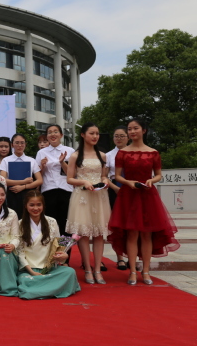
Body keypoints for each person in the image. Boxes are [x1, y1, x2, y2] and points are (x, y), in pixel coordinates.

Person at [107, 118, 179, 286]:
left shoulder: (153, 153)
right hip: (129, 195)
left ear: (143, 130)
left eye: (135, 128)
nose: (132, 131)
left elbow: (159, 175)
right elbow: (117, 176)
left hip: (147, 195)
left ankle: (146, 271)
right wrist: (128, 182)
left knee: (147, 234)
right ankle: (132, 271)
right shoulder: (122, 153)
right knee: (132, 233)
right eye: (130, 129)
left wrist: (151, 180)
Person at [66, 123, 111, 284]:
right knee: (84, 234)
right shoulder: (75, 156)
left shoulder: (102, 156)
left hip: (99, 196)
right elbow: (69, 179)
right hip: (82, 196)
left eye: (97, 133)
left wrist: (105, 181)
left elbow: (104, 175)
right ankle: (87, 269)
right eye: (92, 133)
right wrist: (83, 182)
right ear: (83, 135)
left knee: (99, 234)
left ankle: (97, 269)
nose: (95, 136)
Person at [16, 190, 80, 300]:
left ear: (43, 205)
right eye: (32, 205)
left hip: (49, 268)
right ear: (26, 206)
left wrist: (63, 256)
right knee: (25, 280)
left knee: (70, 272)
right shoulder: (19, 224)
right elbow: (20, 252)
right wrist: (32, 272)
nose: (35, 208)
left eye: (38, 205)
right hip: (28, 270)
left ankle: (38, 289)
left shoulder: (52, 221)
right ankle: (51, 288)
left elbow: (58, 245)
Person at [35, 125, 75, 238]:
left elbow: (72, 174)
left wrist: (62, 162)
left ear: (61, 135)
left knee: (66, 223)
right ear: (47, 136)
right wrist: (42, 166)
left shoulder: (70, 151)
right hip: (48, 190)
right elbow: (38, 176)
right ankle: (52, 248)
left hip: (66, 189)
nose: (53, 134)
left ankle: (65, 248)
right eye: (50, 132)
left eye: (55, 132)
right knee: (50, 222)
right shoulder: (41, 153)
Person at [0, 134, 43, 218]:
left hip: (27, 193)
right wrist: (23, 182)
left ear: (25, 144)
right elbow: (2, 180)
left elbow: (39, 180)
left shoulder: (31, 160)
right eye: (17, 143)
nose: (20, 145)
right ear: (12, 145)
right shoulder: (6, 160)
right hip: (11, 194)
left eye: (22, 143)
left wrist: (23, 187)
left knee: (27, 218)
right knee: (12, 217)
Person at [106, 126, 129, 270]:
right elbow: (104, 176)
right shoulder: (108, 155)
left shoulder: (134, 152)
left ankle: (133, 257)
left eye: (122, 136)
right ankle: (120, 257)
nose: (119, 139)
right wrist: (115, 188)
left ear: (128, 137)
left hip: (132, 188)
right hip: (115, 189)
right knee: (118, 224)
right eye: (116, 136)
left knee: (133, 224)